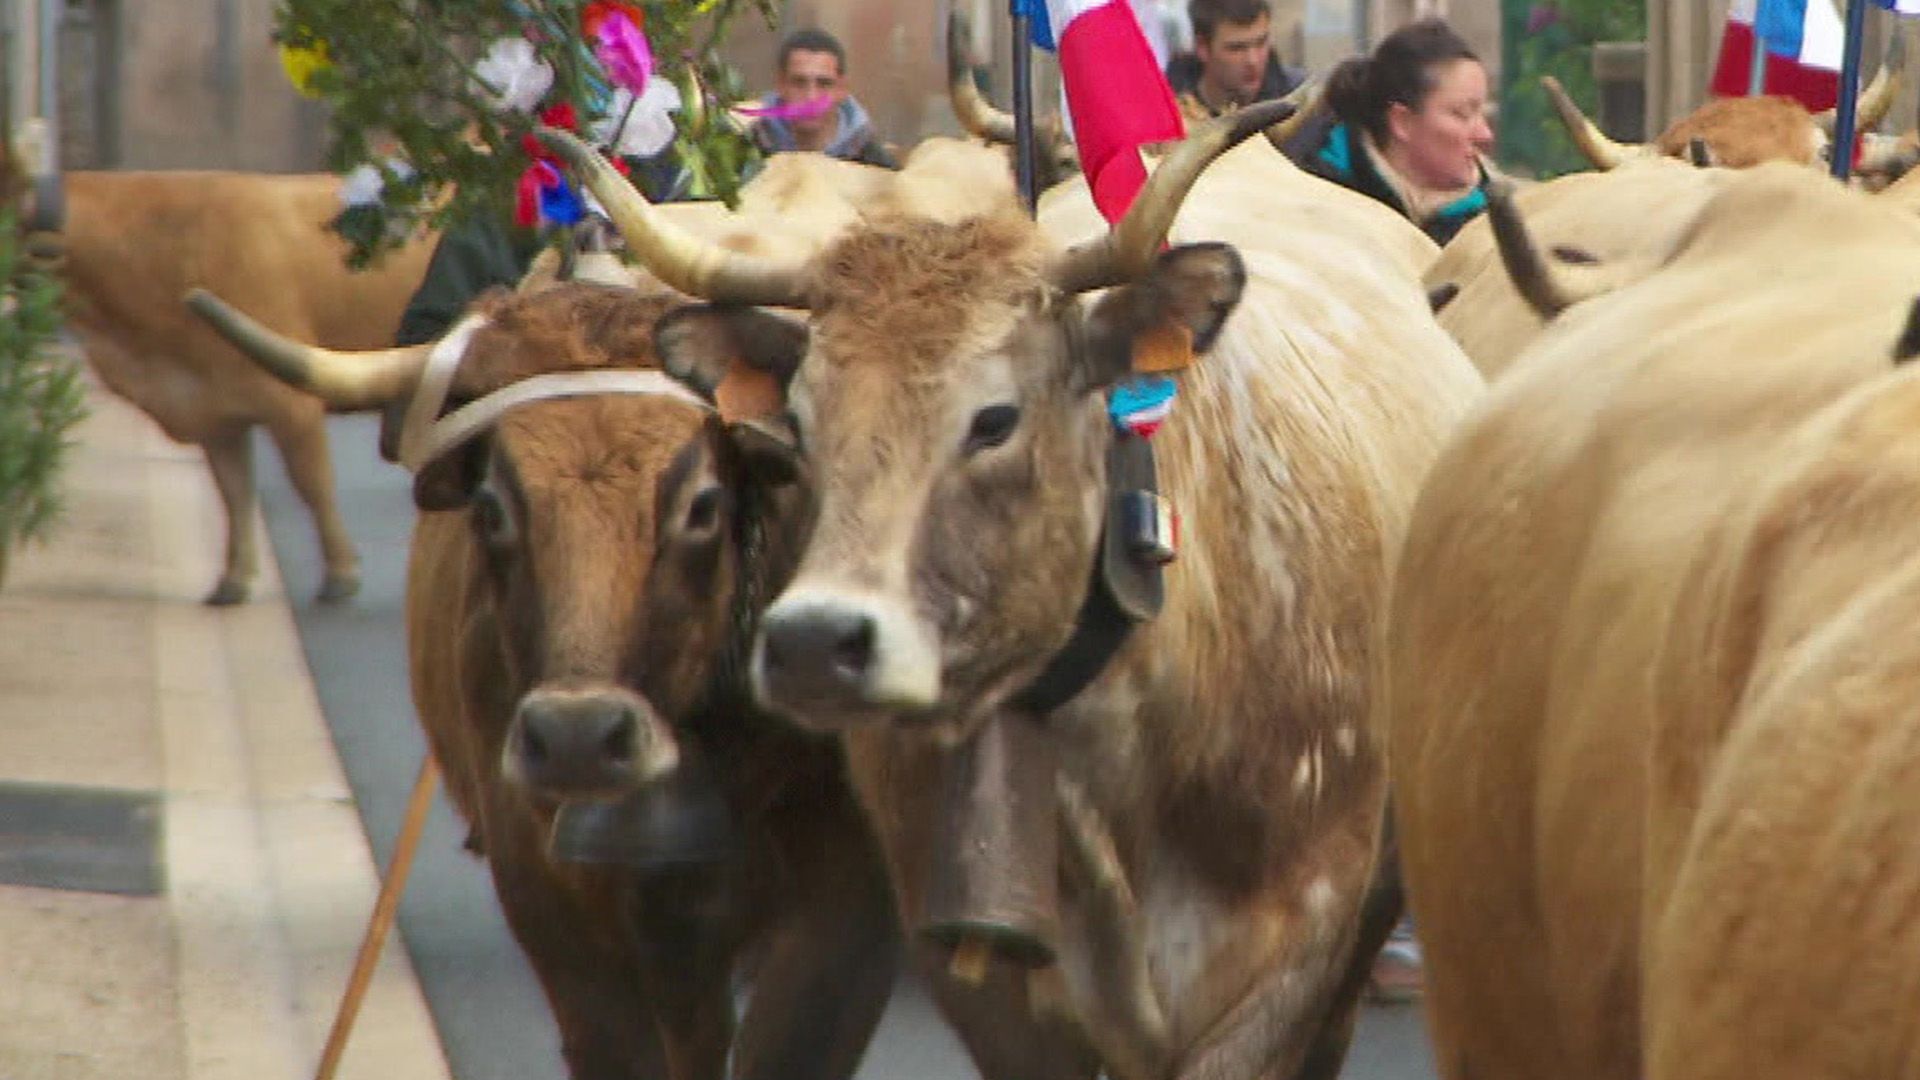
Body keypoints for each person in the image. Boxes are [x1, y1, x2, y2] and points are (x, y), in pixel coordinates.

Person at [1300, 19, 1494, 247]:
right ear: (1402, 122)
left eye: (1482, 113)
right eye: (1462, 114)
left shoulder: (1496, 220)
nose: (1485, 134)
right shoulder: (1311, 206)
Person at [747, 29, 898, 170]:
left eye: (824, 84)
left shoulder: (874, 165)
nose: (811, 97)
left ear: (842, 89)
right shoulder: (746, 154)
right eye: (799, 82)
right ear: (780, 85)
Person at [1165, 0, 1306, 123]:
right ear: (1202, 47)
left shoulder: (1301, 102)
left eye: (1261, 42)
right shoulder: (1165, 115)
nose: (1253, 60)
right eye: (1236, 48)